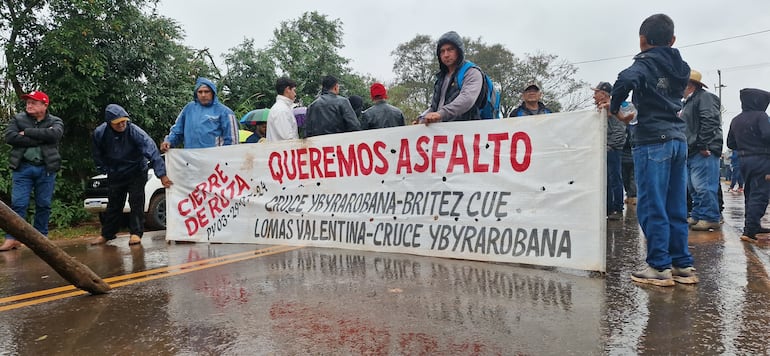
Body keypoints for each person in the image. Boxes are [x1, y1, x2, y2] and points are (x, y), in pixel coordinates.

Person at [605, 14, 696, 286]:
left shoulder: (644, 63)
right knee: (676, 205)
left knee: (652, 205)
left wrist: (615, 108)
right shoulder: (682, 66)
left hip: (652, 140)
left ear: (642, 40)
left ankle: (658, 266)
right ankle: (682, 265)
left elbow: (623, 81)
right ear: (673, 40)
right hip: (678, 140)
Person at [89, 104, 172, 246]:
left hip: (136, 170)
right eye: (117, 123)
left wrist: (162, 175)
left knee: (136, 201)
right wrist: (103, 168)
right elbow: (97, 153)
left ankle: (136, 233)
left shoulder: (135, 132)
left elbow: (153, 153)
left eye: (124, 121)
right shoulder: (100, 133)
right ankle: (107, 234)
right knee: (114, 203)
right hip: (115, 171)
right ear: (109, 123)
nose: (122, 125)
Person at [1, 91, 64, 251]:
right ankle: (12, 238)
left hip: (46, 168)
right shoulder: (18, 119)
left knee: (43, 204)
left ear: (44, 105)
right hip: (23, 168)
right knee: (18, 203)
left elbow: (55, 135)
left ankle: (41, 237)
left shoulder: (55, 121)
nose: (29, 105)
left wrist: (27, 132)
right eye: (28, 102)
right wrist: (42, 136)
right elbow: (10, 137)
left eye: (33, 102)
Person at [726, 88, 770, 243]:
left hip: (744, 160)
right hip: (762, 159)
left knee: (750, 193)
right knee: (761, 194)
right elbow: (767, 135)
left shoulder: (736, 119)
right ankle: (750, 230)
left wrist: (746, 145)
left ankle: (753, 225)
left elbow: (730, 143)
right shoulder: (761, 116)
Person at [681, 69, 723, 231]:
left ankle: (710, 217)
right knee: (694, 186)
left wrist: (703, 144)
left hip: (702, 149)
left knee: (703, 185)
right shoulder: (689, 102)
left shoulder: (704, 98)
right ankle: (699, 214)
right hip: (693, 149)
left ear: (689, 84)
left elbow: (710, 120)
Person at [160, 77, 238, 152]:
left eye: (206, 91)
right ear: (196, 93)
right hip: (191, 160)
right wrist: (169, 141)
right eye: (200, 92)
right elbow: (177, 131)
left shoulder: (226, 112)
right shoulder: (189, 109)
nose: (203, 95)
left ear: (213, 93)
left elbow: (233, 141)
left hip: (215, 161)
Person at [423, 31, 483, 124]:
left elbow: (467, 99)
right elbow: (435, 108)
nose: (446, 55)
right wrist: (422, 118)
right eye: (442, 51)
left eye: (450, 49)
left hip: (468, 131)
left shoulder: (471, 72)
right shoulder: (441, 78)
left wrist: (441, 113)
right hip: (445, 133)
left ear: (459, 51)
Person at [593, 82, 626, 220]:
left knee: (614, 178)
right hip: (604, 148)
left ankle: (616, 208)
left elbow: (620, 130)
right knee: (605, 178)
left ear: (603, 94)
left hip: (612, 149)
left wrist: (611, 145)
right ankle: (608, 207)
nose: (594, 95)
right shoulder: (601, 109)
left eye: (596, 92)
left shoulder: (613, 108)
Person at [266, 77, 299, 142]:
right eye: (294, 90)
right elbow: (288, 139)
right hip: (284, 150)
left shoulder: (282, 107)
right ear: (287, 89)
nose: (295, 94)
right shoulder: (282, 110)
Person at [621, 127, 637, 205]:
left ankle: (632, 195)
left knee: (629, 178)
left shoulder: (625, 129)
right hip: (629, 157)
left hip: (627, 157)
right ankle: (631, 195)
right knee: (630, 178)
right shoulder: (632, 129)